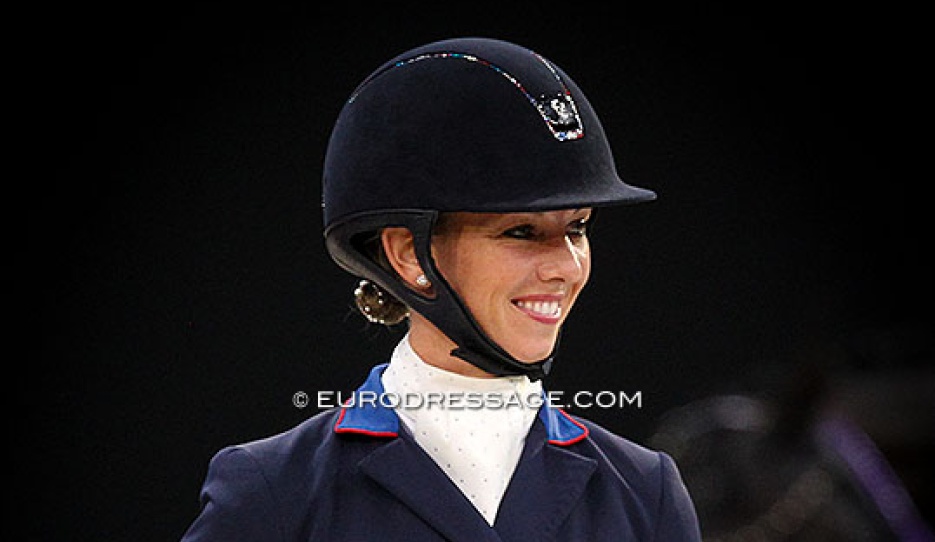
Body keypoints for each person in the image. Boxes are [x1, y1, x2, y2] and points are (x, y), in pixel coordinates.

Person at [180, 37, 702, 541]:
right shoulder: (274, 494)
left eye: (578, 228)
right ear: (409, 253)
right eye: (521, 232)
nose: (565, 266)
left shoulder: (644, 492)